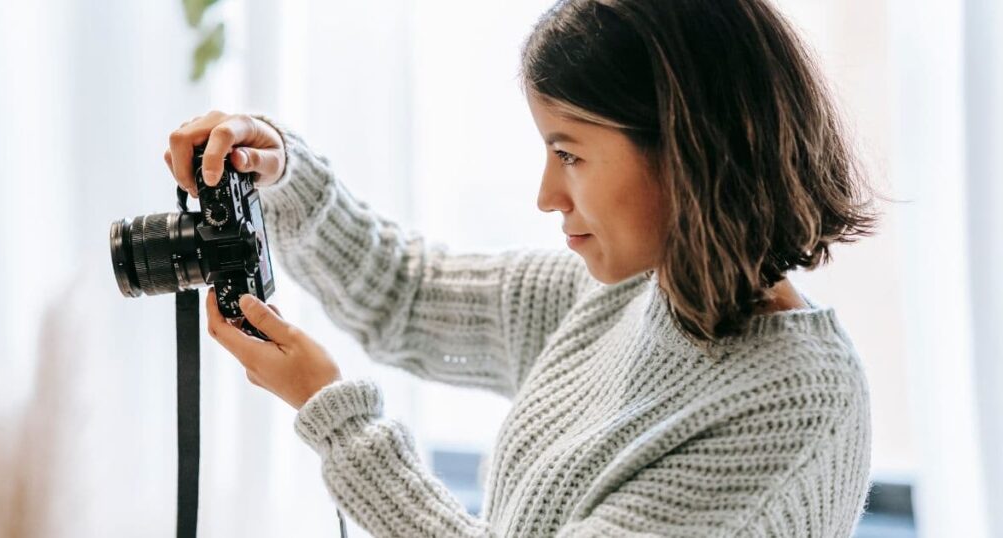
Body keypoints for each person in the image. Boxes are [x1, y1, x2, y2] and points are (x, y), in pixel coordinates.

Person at [163, 0, 882, 535]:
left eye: (569, 154)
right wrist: (282, 170)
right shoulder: (633, 295)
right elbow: (405, 297)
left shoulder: (794, 405)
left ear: (688, 147)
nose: (546, 195)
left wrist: (336, 418)